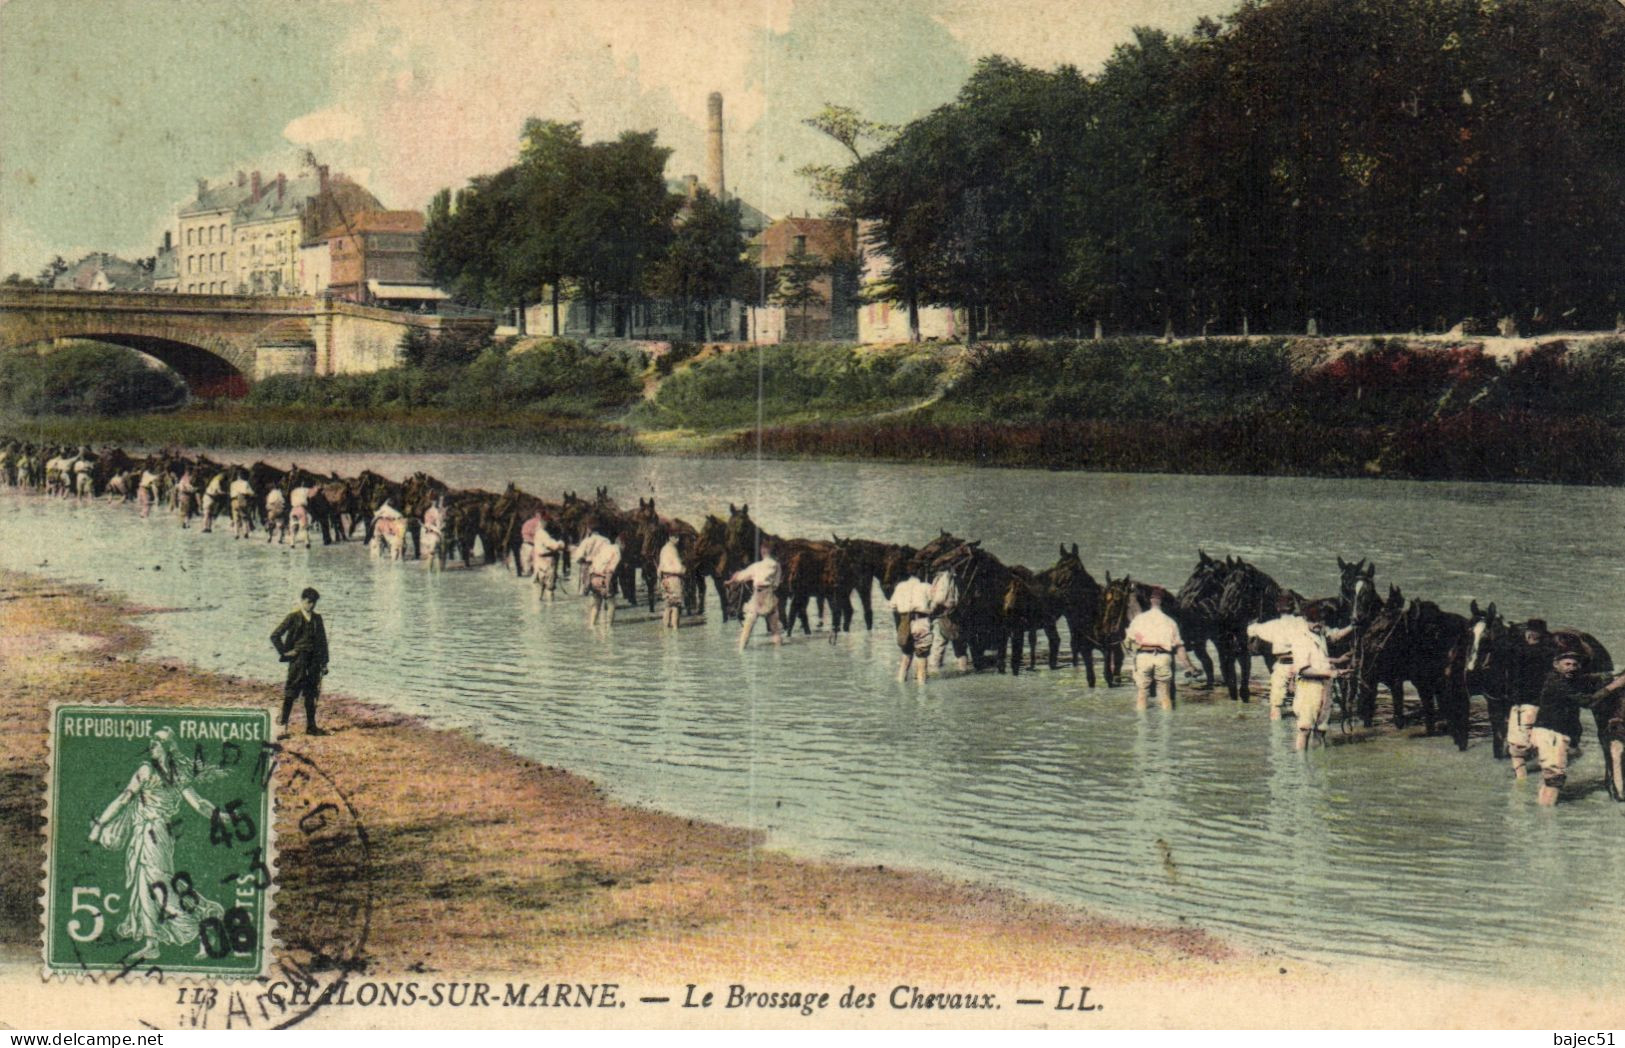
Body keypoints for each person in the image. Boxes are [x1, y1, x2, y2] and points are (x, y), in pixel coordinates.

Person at [88, 727, 226, 960]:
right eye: (152, 740)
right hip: (143, 834)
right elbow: (124, 798)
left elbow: (199, 803)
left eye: (158, 741)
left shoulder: (177, 775)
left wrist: (223, 816)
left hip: (156, 833)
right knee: (144, 889)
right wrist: (100, 823)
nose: (151, 743)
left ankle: (205, 923)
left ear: (168, 747)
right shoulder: (145, 769)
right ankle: (152, 943)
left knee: (160, 888)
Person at [1530, 648, 1625, 806]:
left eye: (1575, 664)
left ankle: (1542, 810)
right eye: (1567, 664)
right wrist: (1614, 685)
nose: (1571, 667)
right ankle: (1546, 819)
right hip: (1552, 734)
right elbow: (1588, 702)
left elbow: (1585, 678)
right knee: (1555, 778)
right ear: (1556, 665)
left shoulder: (1562, 679)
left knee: (1552, 774)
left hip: (1552, 733)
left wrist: (1610, 675)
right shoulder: (1558, 683)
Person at [1126, 587, 1200, 711]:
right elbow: (1179, 648)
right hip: (1163, 657)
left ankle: (1142, 728)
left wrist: (1136, 655)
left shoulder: (1139, 619)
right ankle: (1167, 727)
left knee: (1142, 695)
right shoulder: (1170, 621)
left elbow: (1129, 642)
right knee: (1165, 696)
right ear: (1162, 602)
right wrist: (1189, 666)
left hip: (1143, 657)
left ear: (1150, 601)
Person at [1291, 606, 1354, 751]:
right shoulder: (1301, 638)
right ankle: (1302, 766)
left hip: (1325, 686)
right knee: (1305, 729)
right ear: (1306, 620)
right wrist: (1332, 673)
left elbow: (1335, 635)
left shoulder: (1320, 634)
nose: (1318, 624)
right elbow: (1304, 670)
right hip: (1309, 687)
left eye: (1320, 621)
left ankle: (1319, 764)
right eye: (1314, 621)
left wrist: (1352, 626)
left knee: (1321, 728)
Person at [271, 587, 330, 736]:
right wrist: (285, 652)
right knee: (291, 692)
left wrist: (324, 663)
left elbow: (323, 642)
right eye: (309, 602)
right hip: (298, 661)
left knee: (311, 693)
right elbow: (275, 635)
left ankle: (311, 727)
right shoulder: (293, 617)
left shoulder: (317, 619)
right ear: (302, 600)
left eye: (314, 602)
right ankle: (282, 728)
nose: (311, 605)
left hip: (314, 662)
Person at [1246, 595, 1313, 720]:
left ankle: (1278, 736)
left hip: (1282, 665)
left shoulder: (1273, 625)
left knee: (1276, 705)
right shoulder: (1303, 623)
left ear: (1277, 608)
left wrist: (1254, 621)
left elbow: (1251, 630)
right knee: (1303, 706)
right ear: (1294, 608)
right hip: (1303, 665)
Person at [1506, 620, 1555, 780]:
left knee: (1518, 745)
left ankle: (1521, 781)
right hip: (1539, 702)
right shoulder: (1551, 652)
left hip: (1525, 703)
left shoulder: (1523, 651)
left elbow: (1515, 673)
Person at [729, 540, 784, 651]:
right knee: (775, 630)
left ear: (763, 551)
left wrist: (731, 580)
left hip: (758, 597)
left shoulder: (757, 566)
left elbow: (741, 577)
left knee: (747, 628)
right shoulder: (777, 566)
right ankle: (779, 656)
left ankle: (741, 651)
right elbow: (777, 584)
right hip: (769, 596)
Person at [890, 567, 934, 683]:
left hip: (904, 621)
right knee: (922, 656)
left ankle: (901, 681)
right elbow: (936, 601)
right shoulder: (926, 586)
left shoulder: (899, 587)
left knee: (906, 653)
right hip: (920, 620)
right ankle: (922, 691)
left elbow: (892, 605)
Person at [927, 566, 966, 673]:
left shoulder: (943, 578)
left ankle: (934, 674)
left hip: (943, 615)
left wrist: (930, 609)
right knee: (959, 648)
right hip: (954, 615)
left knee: (938, 646)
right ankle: (963, 671)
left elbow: (940, 598)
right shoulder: (954, 578)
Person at [586, 535, 623, 627]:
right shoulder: (617, 551)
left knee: (596, 603)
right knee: (611, 603)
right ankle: (609, 627)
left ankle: (592, 625)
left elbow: (592, 564)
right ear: (622, 544)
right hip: (604, 578)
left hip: (594, 577)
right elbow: (610, 570)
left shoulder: (604, 548)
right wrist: (607, 585)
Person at [657, 533, 686, 629]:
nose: (678, 540)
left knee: (667, 606)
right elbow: (678, 568)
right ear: (670, 537)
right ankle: (675, 630)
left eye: (678, 537)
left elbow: (659, 568)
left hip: (664, 579)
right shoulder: (673, 550)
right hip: (674, 579)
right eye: (676, 537)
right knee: (676, 606)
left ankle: (665, 630)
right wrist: (684, 569)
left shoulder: (663, 549)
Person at [532, 520, 566, 599]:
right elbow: (554, 546)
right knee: (549, 588)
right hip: (547, 561)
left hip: (539, 561)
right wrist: (561, 543)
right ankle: (550, 606)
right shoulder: (543, 534)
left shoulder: (538, 533)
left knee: (540, 586)